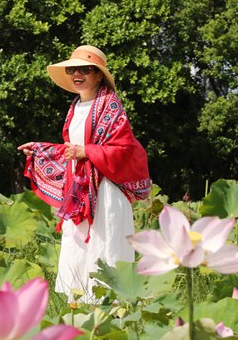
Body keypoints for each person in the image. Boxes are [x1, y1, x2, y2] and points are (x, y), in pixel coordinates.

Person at [17, 45, 151, 303]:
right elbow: (72, 151)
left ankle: (109, 311)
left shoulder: (110, 106)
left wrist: (85, 152)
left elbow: (123, 150)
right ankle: (78, 311)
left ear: (99, 75)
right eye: (72, 69)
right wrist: (39, 150)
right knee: (78, 248)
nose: (77, 74)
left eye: (85, 69)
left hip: (105, 192)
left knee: (105, 247)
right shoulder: (75, 107)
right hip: (81, 193)